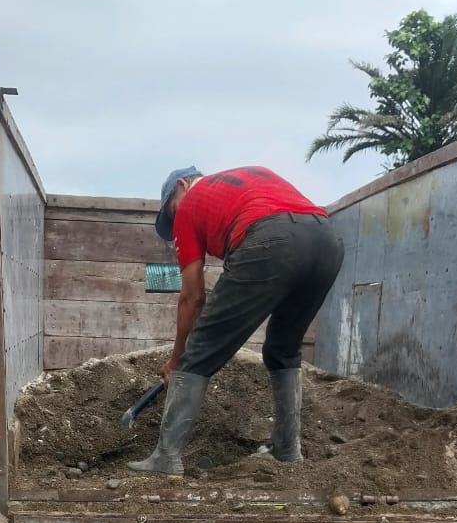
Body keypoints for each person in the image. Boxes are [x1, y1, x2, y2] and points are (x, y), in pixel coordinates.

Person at [129, 165, 344, 474]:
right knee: (283, 349)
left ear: (182, 185)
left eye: (172, 211)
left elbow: (192, 296)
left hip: (270, 239)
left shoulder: (189, 205)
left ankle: (166, 457)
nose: (175, 221)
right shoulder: (250, 177)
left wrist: (177, 358)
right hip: (327, 240)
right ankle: (287, 451)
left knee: (199, 351)